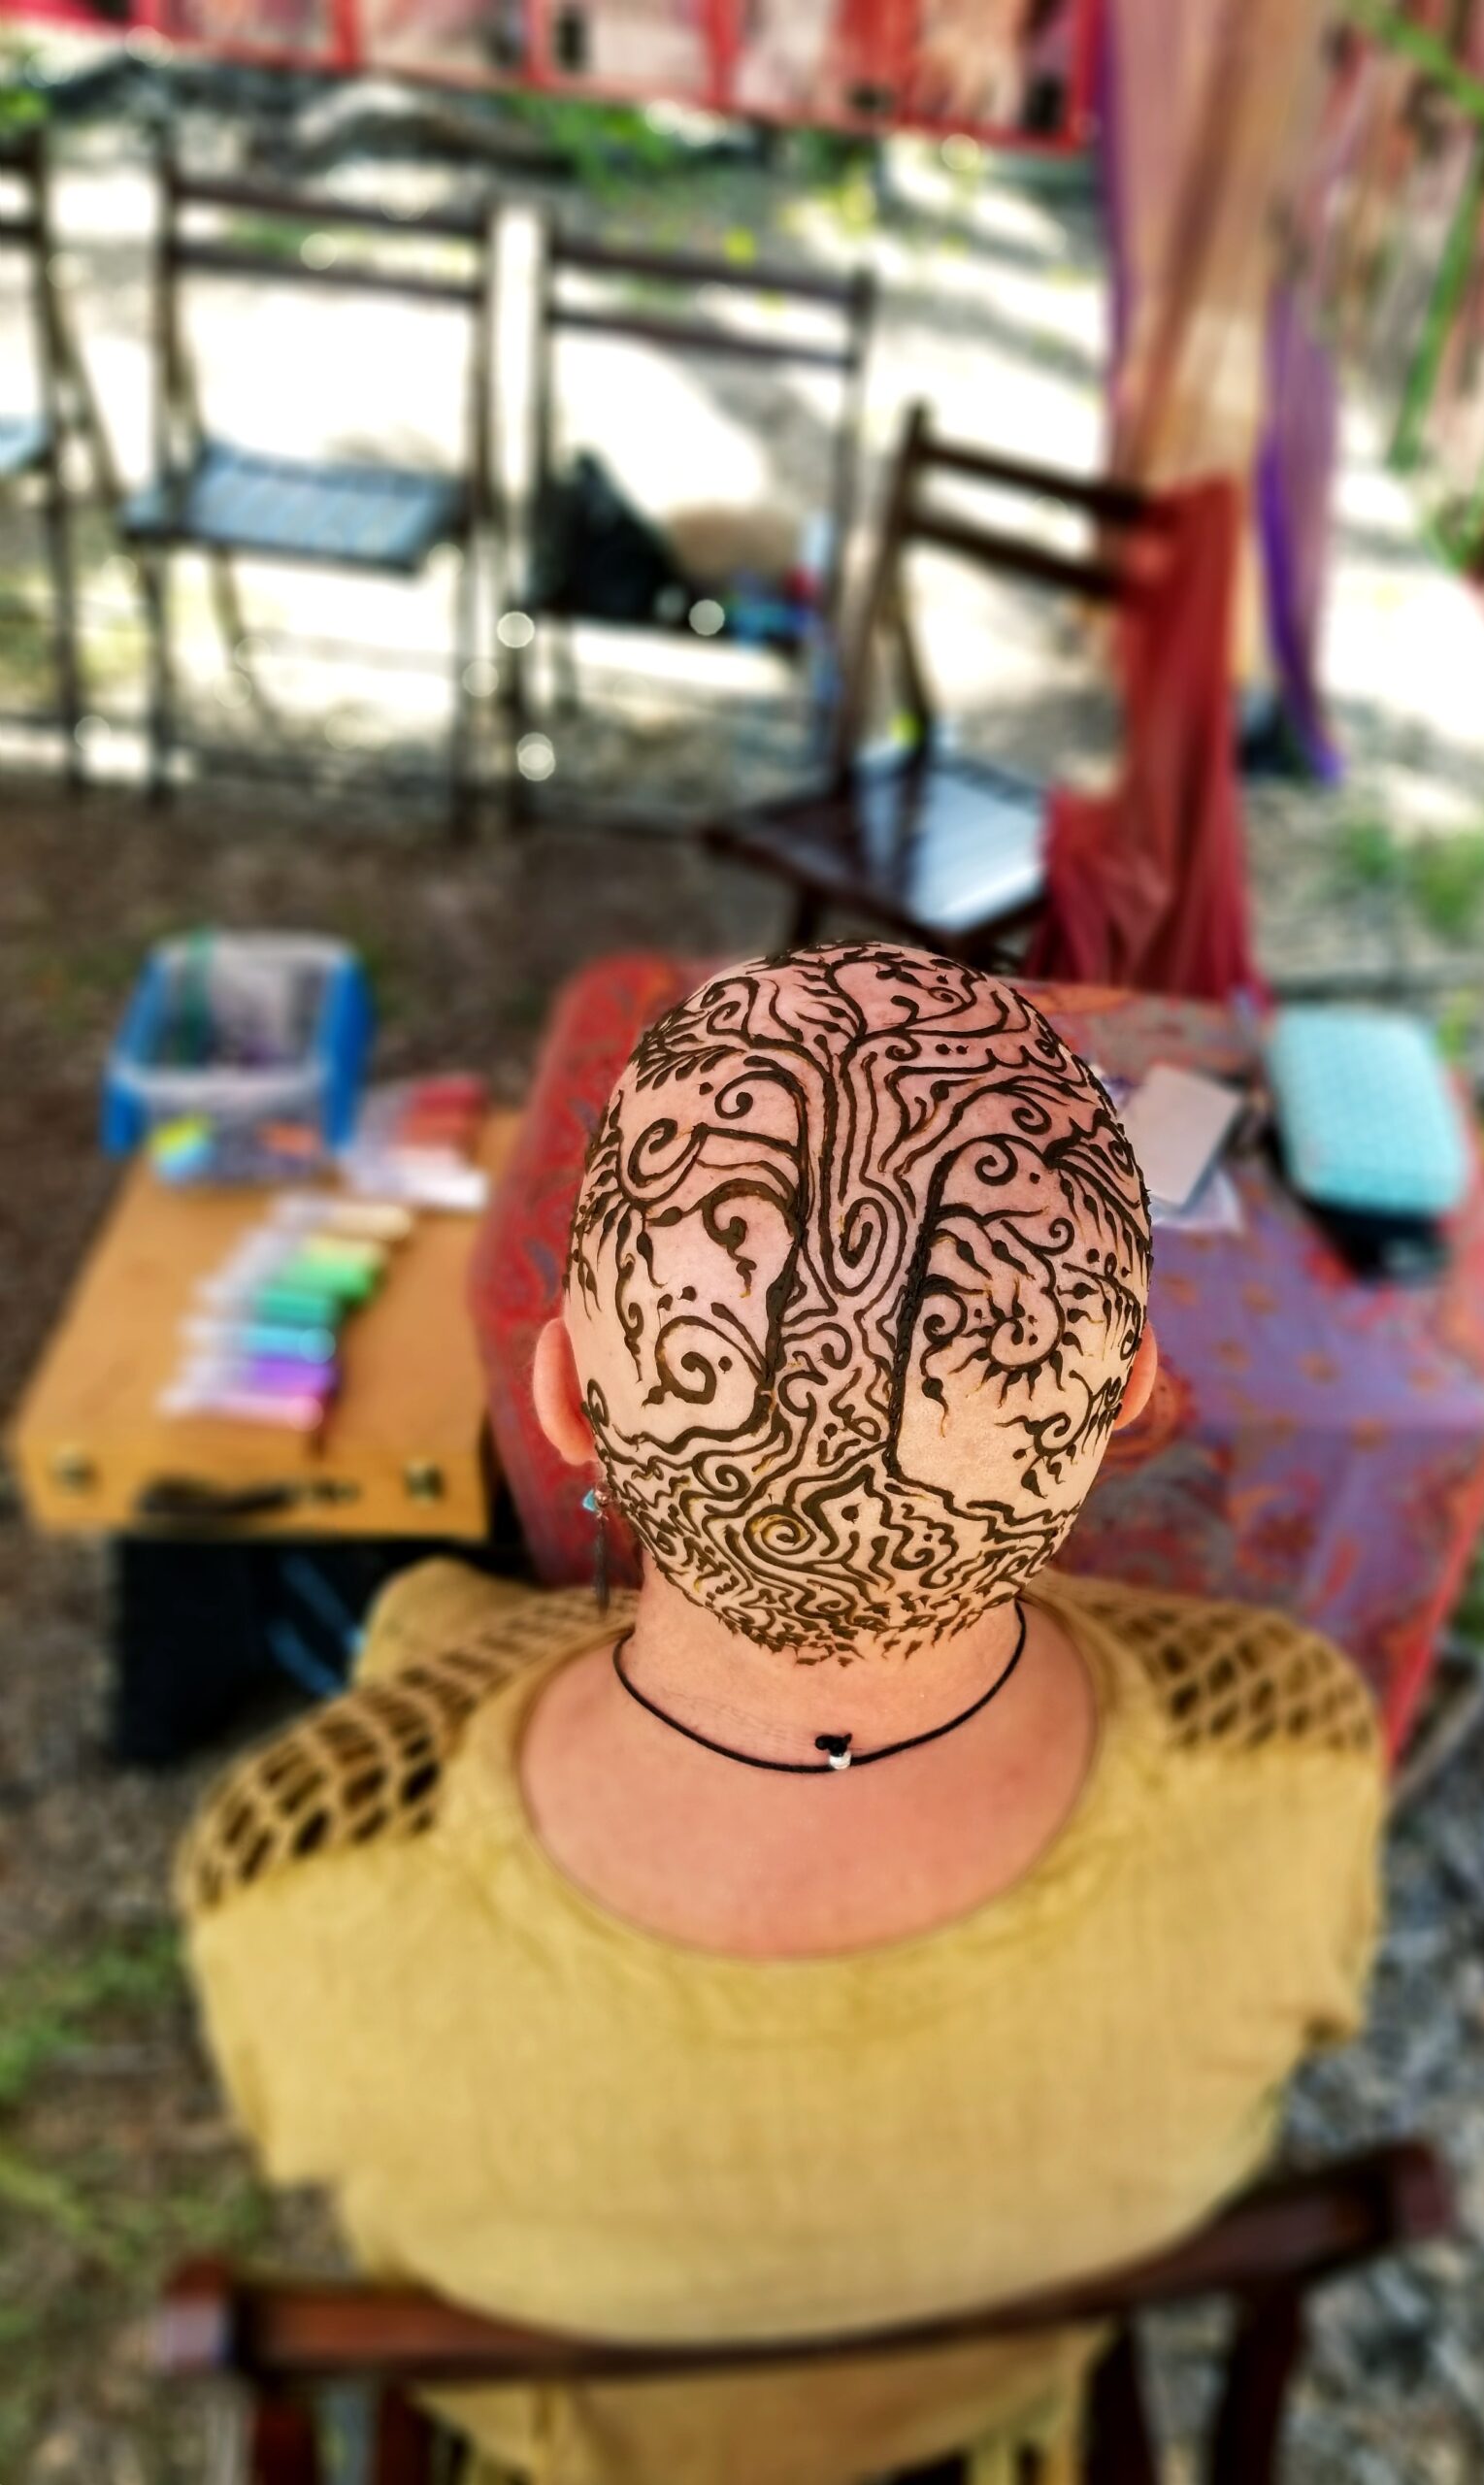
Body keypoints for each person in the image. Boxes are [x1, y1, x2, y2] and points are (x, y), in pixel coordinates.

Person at [179, 941, 1385, 2485]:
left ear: (561, 1405)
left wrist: (440, 1639)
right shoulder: (1293, 1754)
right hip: (1000, 2413)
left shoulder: (300, 1870)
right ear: (1117, 1419)